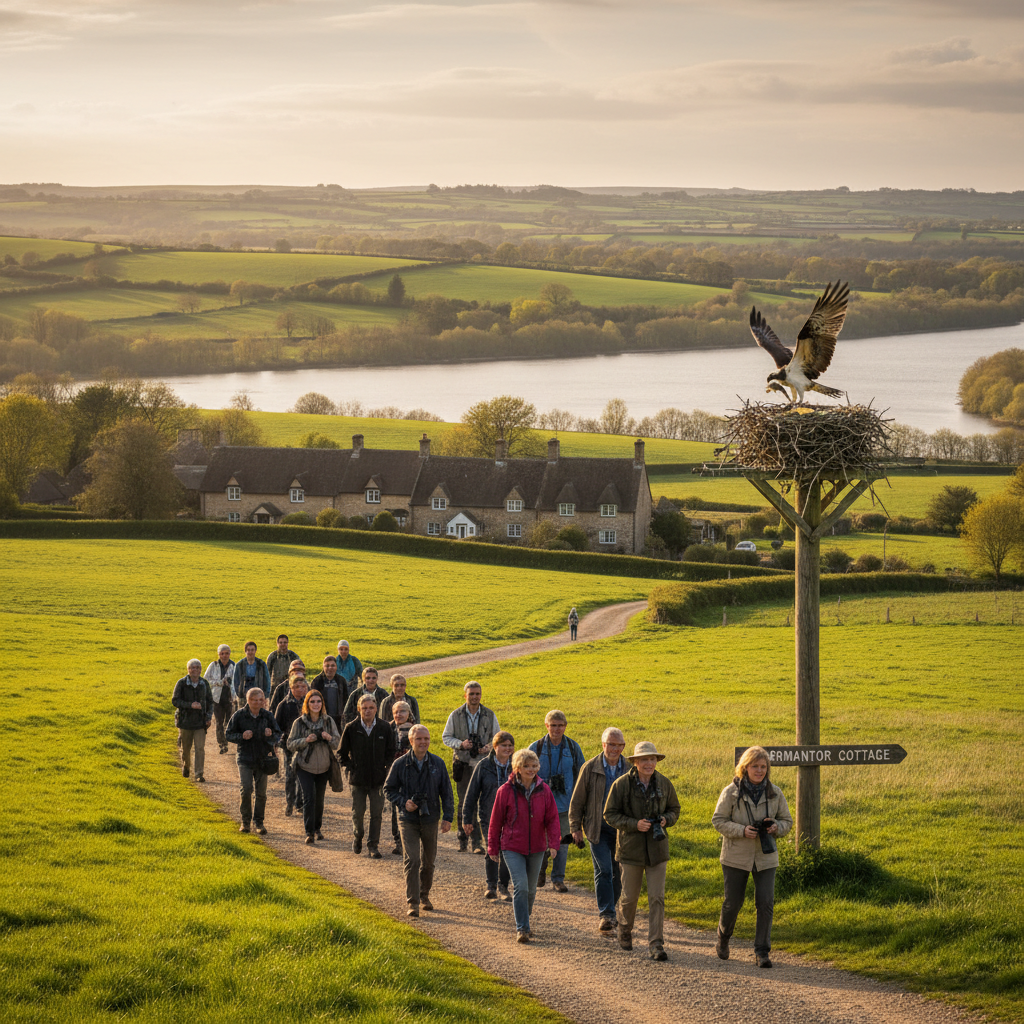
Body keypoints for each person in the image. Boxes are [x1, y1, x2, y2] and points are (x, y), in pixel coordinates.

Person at [712, 744, 793, 968]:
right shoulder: (731, 792)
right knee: (733, 903)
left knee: (765, 903)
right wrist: (742, 830)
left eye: (763, 767)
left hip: (766, 856)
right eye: (755, 766)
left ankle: (762, 951)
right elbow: (718, 820)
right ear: (745, 767)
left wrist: (776, 827)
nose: (759, 771)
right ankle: (723, 936)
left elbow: (787, 821)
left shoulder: (775, 793)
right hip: (736, 855)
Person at [604, 740, 680, 962]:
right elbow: (609, 814)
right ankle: (624, 930)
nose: (649, 763)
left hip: (658, 849)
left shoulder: (664, 783)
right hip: (631, 849)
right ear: (635, 762)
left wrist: (666, 819)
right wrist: (634, 824)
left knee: (657, 898)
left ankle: (656, 944)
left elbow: (675, 809)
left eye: (652, 759)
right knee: (629, 898)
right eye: (644, 759)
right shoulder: (621, 785)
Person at [487, 748, 560, 944]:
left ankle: (525, 920)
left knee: (531, 890)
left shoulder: (544, 790)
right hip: (512, 847)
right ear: (517, 768)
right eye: (526, 766)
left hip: (537, 847)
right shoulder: (505, 791)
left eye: (534, 765)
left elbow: (552, 819)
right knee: (520, 886)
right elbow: (495, 822)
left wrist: (554, 843)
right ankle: (522, 928)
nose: (531, 769)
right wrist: (493, 847)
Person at [384, 724, 454, 917]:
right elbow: (388, 789)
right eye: (419, 739)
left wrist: (448, 818)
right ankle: (413, 902)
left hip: (430, 818)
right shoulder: (400, 764)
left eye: (426, 739)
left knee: (428, 862)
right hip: (407, 819)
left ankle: (424, 895)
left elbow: (447, 793)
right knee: (413, 859)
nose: (423, 742)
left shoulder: (437, 764)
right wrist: (403, 802)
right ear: (411, 741)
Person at [569, 726, 627, 931]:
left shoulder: (630, 768)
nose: (615, 749)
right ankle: (607, 914)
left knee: (619, 872)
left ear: (623, 746)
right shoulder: (590, 767)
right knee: (604, 870)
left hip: (622, 830)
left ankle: (612, 908)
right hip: (597, 828)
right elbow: (577, 800)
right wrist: (575, 827)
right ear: (603, 745)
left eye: (619, 745)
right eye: (611, 744)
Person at [530, 709, 584, 891]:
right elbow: (524, 773)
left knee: (564, 842)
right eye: (553, 725)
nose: (557, 729)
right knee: (540, 840)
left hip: (565, 804)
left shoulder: (573, 748)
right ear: (547, 726)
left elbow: (582, 775)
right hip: (540, 804)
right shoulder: (536, 748)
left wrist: (579, 802)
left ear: (565, 726)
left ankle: (558, 879)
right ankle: (539, 870)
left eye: (560, 725)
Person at [442, 681, 499, 853]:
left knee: (483, 803)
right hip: (463, 764)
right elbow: (446, 737)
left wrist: (489, 747)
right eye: (471, 694)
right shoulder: (455, 715)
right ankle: (462, 839)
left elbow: (497, 737)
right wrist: (461, 744)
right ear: (465, 695)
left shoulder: (489, 714)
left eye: (477, 694)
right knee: (465, 802)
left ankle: (477, 842)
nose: (475, 697)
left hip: (483, 764)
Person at [339, 693, 396, 858]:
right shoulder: (351, 728)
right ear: (359, 709)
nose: (368, 711)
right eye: (364, 708)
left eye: (371, 707)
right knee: (358, 812)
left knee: (376, 814)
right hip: (358, 780)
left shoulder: (385, 728)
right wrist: (351, 767)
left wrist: (385, 767)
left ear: (376, 708)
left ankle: (373, 845)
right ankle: (358, 835)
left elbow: (391, 751)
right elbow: (341, 753)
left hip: (378, 779)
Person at [463, 731, 515, 900]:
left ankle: (503, 886)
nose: (507, 749)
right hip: (489, 816)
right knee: (492, 848)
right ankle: (491, 885)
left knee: (507, 851)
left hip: (511, 818)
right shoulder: (483, 766)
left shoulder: (517, 766)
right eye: (503, 745)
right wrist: (467, 819)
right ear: (495, 746)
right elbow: (471, 794)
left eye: (510, 745)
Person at [287, 689, 341, 844]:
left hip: (324, 767)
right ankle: (309, 832)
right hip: (304, 766)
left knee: (319, 800)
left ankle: (317, 828)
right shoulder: (299, 722)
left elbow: (337, 743)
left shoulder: (328, 721)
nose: (316, 704)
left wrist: (328, 737)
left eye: (318, 701)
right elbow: (290, 744)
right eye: (312, 702)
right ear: (307, 704)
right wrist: (305, 740)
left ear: (322, 704)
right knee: (309, 798)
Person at [225, 687, 282, 835]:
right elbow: (228, 734)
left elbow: (278, 734)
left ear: (264, 701)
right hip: (245, 757)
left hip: (263, 759)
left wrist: (270, 735)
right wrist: (241, 736)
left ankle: (259, 822)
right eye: (254, 700)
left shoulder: (268, 716)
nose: (258, 702)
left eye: (260, 700)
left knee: (261, 793)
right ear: (248, 700)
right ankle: (245, 822)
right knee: (246, 789)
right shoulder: (239, 715)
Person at [274, 671, 309, 818]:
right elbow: (277, 726)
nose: (300, 689)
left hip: (306, 745)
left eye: (303, 686)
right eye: (297, 686)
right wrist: (277, 743)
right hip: (289, 745)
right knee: (290, 775)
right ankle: (289, 802)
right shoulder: (284, 705)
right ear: (291, 688)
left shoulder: (310, 703)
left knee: (303, 774)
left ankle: (300, 803)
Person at [172, 658, 213, 781]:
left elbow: (210, 702)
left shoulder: (204, 684)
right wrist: (190, 705)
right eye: (192, 667)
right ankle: (186, 766)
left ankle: (199, 774)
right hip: (185, 722)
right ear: (188, 670)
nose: (195, 669)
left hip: (200, 722)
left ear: (200, 670)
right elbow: (175, 701)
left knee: (200, 748)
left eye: (197, 667)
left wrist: (208, 717)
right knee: (186, 749)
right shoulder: (181, 683)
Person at [388, 700, 415, 854]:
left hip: (411, 774)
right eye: (396, 712)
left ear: (408, 713)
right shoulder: (388, 728)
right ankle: (398, 841)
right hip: (393, 773)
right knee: (395, 808)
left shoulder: (415, 730)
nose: (399, 714)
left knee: (411, 806)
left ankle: (411, 841)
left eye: (402, 711)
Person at [204, 644, 235, 754]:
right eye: (222, 653)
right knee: (219, 722)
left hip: (230, 698)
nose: (224, 655)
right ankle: (222, 744)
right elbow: (206, 680)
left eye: (227, 653)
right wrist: (219, 682)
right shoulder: (213, 665)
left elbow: (237, 681)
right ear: (219, 654)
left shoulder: (234, 666)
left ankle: (226, 740)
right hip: (216, 698)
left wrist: (230, 683)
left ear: (229, 654)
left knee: (228, 722)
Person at [310, 655, 349, 732]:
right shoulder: (317, 682)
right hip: (322, 718)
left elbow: (346, 700)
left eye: (332, 665)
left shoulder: (341, 681)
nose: (330, 668)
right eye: (327, 666)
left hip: (338, 719)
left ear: (336, 667)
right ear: (323, 667)